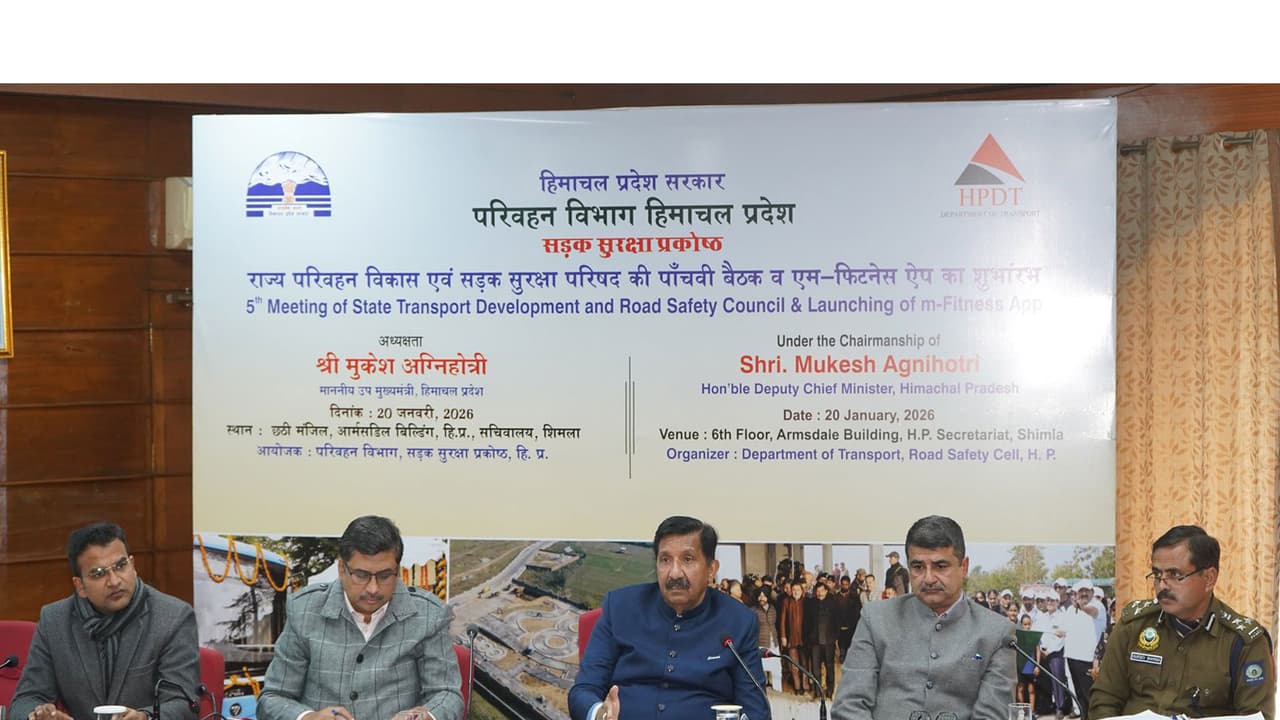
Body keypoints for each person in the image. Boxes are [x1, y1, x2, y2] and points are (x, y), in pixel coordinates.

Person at [258, 515, 463, 720]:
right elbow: (272, 698)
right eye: (361, 575)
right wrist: (308, 717)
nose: (373, 589)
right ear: (342, 569)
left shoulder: (429, 615)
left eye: (384, 576)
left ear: (397, 571)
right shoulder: (304, 610)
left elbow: (447, 694)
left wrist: (427, 716)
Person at [569, 516, 770, 720]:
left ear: (711, 569)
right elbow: (583, 690)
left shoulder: (739, 621)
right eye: (665, 560)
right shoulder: (620, 607)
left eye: (687, 559)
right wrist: (600, 714)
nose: (674, 573)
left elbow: (756, 711)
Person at [11, 522, 201, 720]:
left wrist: (145, 717)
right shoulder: (55, 621)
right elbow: (24, 700)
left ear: (133, 566)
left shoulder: (173, 617)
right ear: (80, 586)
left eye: (121, 566)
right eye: (99, 574)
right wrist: (37, 716)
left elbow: (185, 705)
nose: (114, 581)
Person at [831, 515, 1015, 720]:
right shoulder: (876, 619)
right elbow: (849, 705)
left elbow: (991, 716)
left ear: (963, 567)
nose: (928, 578)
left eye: (940, 566)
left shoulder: (996, 632)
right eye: (918, 567)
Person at [1090, 525, 1275, 720]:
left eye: (1175, 575)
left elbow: (1257, 715)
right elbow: (1104, 699)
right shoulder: (1133, 625)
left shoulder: (1242, 641)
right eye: (1157, 574)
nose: (1162, 585)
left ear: (1209, 578)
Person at [779, 579, 808, 694]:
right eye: (794, 590)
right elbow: (782, 621)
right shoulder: (786, 602)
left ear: (802, 591)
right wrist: (783, 636)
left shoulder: (806, 602)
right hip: (791, 638)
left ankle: (805, 687)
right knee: (794, 665)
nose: (796, 592)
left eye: (798, 590)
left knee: (805, 664)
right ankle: (797, 687)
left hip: (804, 638)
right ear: (791, 591)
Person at [754, 587, 783, 692]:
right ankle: (761, 690)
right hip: (760, 642)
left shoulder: (773, 609)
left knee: (776, 667)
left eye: (764, 596)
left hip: (773, 641)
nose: (761, 598)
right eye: (759, 596)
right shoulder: (753, 610)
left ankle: (777, 689)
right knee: (761, 667)